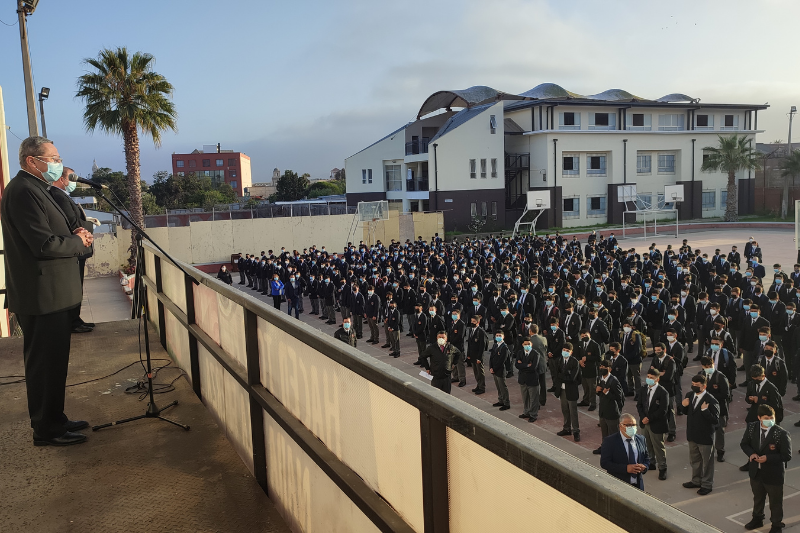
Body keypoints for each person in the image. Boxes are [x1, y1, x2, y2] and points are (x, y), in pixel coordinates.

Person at [2, 136, 94, 446]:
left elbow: (54, 232)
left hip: (54, 294)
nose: (57, 163)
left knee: (54, 363)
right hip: (42, 296)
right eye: (52, 158)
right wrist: (78, 242)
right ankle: (46, 429)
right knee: (44, 366)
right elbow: (42, 244)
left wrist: (75, 232)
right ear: (32, 161)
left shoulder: (38, 189)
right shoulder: (23, 192)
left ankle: (56, 418)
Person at [50, 166, 95, 333]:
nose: (73, 182)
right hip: (74, 246)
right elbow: (71, 221)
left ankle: (76, 320)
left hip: (77, 245)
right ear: (62, 179)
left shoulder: (62, 195)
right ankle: (73, 322)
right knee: (75, 287)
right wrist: (87, 228)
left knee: (77, 286)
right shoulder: (58, 196)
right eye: (71, 178)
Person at [740, 405, 793, 533]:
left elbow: (787, 455)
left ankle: (776, 525)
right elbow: (744, 443)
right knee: (758, 497)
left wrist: (767, 459)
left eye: (771, 417)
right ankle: (757, 518)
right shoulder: (752, 428)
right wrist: (751, 454)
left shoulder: (781, 433)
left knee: (775, 501)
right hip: (756, 471)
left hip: (773, 474)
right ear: (759, 418)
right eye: (766, 418)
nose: (769, 420)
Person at [682, 373, 720, 495]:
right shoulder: (690, 395)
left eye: (696, 385)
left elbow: (715, 420)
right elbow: (687, 412)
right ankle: (696, 480)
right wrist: (683, 406)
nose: (693, 387)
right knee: (695, 461)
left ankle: (707, 484)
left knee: (707, 463)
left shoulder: (711, 400)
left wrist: (705, 410)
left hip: (705, 437)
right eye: (692, 384)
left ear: (703, 386)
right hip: (692, 435)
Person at [600, 413, 651, 490]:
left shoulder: (641, 439)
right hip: (618, 486)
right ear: (620, 426)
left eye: (634, 425)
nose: (632, 427)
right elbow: (605, 463)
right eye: (628, 425)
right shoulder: (610, 441)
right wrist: (625, 468)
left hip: (638, 485)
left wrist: (644, 467)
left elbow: (646, 458)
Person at [637, 367, 669, 480]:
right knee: (647, 444)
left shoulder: (663, 392)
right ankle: (651, 462)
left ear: (657, 379)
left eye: (652, 378)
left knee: (658, 447)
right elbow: (639, 405)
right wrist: (642, 417)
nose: (649, 379)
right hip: (645, 422)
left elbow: (663, 410)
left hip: (656, 424)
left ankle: (662, 468)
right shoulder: (643, 389)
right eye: (648, 377)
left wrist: (649, 418)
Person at [593, 358, 624, 455]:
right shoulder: (599, 378)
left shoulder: (614, 381)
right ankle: (604, 447)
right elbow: (601, 393)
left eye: (604, 367)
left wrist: (607, 393)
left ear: (609, 369)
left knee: (613, 434)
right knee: (604, 433)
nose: (601, 368)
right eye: (601, 366)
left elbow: (620, 398)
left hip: (612, 412)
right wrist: (597, 391)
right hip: (603, 411)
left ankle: (615, 452)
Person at [554, 342, 582, 442]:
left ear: (571, 352)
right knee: (564, 409)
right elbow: (556, 375)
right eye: (564, 350)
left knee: (573, 411)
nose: (565, 352)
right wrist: (564, 375)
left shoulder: (574, 362)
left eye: (567, 351)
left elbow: (572, 378)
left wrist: (562, 376)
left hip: (571, 390)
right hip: (562, 389)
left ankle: (576, 431)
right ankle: (566, 428)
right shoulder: (559, 360)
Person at [516, 336, 543, 422]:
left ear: (531, 344)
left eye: (529, 344)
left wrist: (522, 365)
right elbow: (517, 365)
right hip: (522, 379)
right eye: (525, 344)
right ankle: (526, 412)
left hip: (532, 379)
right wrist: (527, 365)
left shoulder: (535, 354)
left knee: (533, 399)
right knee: (525, 398)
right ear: (522, 344)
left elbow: (533, 367)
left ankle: (533, 414)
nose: (527, 346)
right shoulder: (520, 352)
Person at [489, 330, 512, 410]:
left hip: (500, 370)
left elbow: (502, 361)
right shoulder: (495, 345)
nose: (498, 337)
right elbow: (491, 357)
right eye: (497, 335)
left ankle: (506, 403)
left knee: (503, 387)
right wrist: (490, 367)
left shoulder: (504, 348)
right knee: (498, 386)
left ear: (503, 337)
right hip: (494, 370)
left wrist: (494, 368)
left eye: (500, 335)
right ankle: (501, 400)